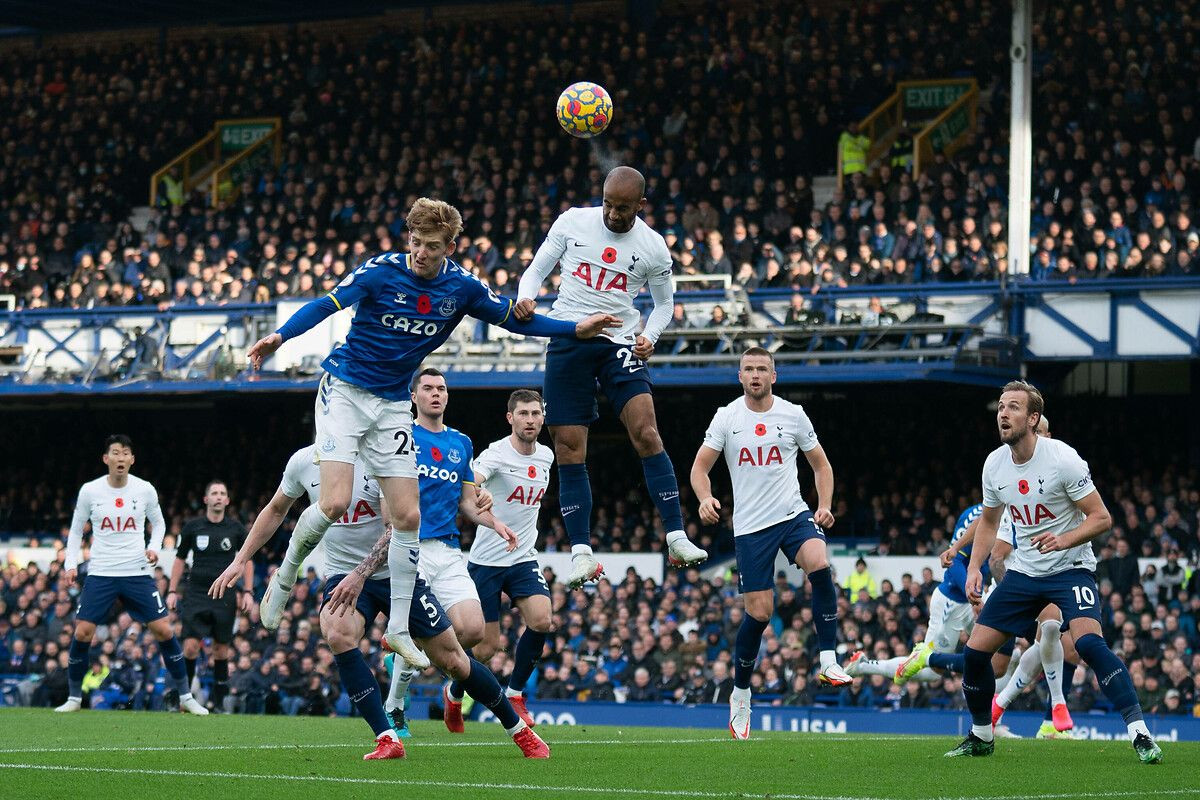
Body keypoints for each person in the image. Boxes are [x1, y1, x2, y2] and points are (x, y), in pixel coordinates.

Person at [243, 197, 618, 671]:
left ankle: (398, 629)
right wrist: (280, 337)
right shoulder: (380, 272)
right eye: (415, 243)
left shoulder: (461, 288)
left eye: (432, 246)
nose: (420, 253)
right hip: (345, 392)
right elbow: (323, 305)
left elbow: (515, 321)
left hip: (392, 403)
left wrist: (574, 329)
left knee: (407, 517)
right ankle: (286, 575)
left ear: (451, 246)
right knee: (334, 502)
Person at [210, 444, 548, 759]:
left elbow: (394, 530)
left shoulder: (379, 461)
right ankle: (386, 736)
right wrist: (241, 559)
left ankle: (517, 730)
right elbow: (275, 510)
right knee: (337, 632)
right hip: (342, 574)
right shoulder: (303, 461)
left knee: (454, 661)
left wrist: (360, 574)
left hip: (394, 574)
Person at [945, 381, 1162, 764]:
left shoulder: (1062, 459)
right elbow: (990, 521)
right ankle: (981, 735)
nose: (1003, 413)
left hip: (1070, 568)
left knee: (1089, 646)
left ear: (1032, 418)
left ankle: (1139, 732)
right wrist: (974, 567)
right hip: (1024, 572)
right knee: (975, 655)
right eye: (1000, 407)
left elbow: (1102, 518)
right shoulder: (994, 464)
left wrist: (1064, 540)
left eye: (1013, 407)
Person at [514, 166, 708, 588]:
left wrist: (649, 336)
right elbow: (535, 269)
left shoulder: (653, 247)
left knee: (646, 432)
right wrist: (525, 297)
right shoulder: (573, 221)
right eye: (607, 204)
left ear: (640, 206)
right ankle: (581, 553)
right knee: (568, 446)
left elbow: (663, 306)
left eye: (622, 209)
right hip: (569, 336)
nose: (613, 215)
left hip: (620, 342)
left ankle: (676, 536)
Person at [689, 346, 851, 740]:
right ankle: (741, 693)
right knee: (759, 614)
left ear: (773, 376)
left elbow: (822, 465)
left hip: (793, 515)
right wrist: (705, 497)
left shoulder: (793, 414)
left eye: (763, 368)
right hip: (750, 528)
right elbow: (699, 468)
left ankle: (828, 659)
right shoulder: (727, 417)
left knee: (819, 562)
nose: (756, 374)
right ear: (740, 376)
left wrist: (824, 505)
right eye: (749, 369)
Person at [383, 367, 519, 733]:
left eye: (440, 388)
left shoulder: (461, 443)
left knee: (473, 630)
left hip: (447, 548)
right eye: (427, 388)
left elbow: (469, 503)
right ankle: (395, 707)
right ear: (414, 396)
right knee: (433, 632)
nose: (435, 394)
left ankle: (403, 659)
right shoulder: (402, 436)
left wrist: (495, 521)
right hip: (410, 548)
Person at [56, 435, 206, 715]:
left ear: (132, 459)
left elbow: (159, 525)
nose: (121, 458)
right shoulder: (90, 491)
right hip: (101, 571)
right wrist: (70, 565)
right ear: (106, 459)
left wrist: (153, 548)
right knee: (83, 631)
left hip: (136, 572)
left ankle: (185, 695)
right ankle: (74, 698)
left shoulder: (144, 489)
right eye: (115, 453)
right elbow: (76, 530)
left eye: (126, 453)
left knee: (163, 629)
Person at [456, 388, 555, 726]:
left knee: (542, 619)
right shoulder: (496, 453)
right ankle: (455, 692)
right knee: (485, 650)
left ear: (543, 417)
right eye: (523, 414)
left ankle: (515, 694)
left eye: (536, 413)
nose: (530, 420)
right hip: (486, 560)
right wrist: (479, 491)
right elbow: (471, 482)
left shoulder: (546, 457)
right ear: (510, 418)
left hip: (523, 556)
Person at [168, 479, 251, 711]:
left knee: (220, 649)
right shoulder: (192, 527)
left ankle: (219, 701)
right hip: (196, 593)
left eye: (222, 493)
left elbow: (247, 560)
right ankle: (183, 698)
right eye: (213, 492)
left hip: (225, 594)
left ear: (227, 500)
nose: (217, 496)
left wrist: (247, 591)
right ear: (206, 499)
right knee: (191, 647)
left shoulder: (236, 529)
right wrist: (172, 590)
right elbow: (179, 559)